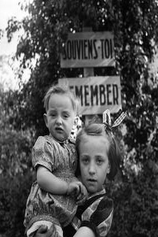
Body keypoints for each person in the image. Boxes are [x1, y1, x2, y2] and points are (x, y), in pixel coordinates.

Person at [34, 121, 122, 237]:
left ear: (109, 166)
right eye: (85, 160)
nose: (91, 170)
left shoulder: (102, 206)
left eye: (99, 161)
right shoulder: (65, 188)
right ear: (77, 161)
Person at [24, 84, 88, 237]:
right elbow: (42, 178)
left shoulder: (73, 148)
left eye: (65, 116)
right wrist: (67, 187)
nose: (59, 121)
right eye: (53, 115)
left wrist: (80, 187)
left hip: (65, 215)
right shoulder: (46, 144)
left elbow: (74, 175)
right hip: (45, 211)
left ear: (75, 121)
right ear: (46, 120)